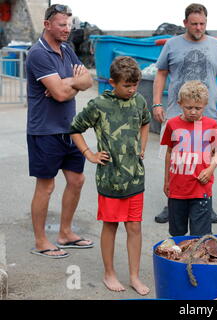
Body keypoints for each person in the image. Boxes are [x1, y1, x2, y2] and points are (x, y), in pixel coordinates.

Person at [69, 56, 150, 295]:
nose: (132, 89)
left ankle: (134, 276)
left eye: (135, 85)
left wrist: (142, 146)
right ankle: (109, 273)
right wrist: (89, 154)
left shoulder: (138, 100)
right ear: (113, 82)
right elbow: (75, 128)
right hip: (110, 179)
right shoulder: (99, 104)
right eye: (127, 85)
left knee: (134, 227)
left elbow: (145, 123)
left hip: (135, 177)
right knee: (111, 225)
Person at [152, 3, 217, 225]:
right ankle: (172, 202)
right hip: (178, 113)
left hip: (209, 113)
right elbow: (161, 74)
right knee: (175, 157)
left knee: (205, 158)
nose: (198, 28)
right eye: (194, 23)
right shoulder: (172, 44)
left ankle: (205, 202)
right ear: (185, 22)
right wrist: (157, 104)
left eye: (202, 24)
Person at [26, 4, 94, 259]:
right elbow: (60, 94)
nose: (67, 30)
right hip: (44, 131)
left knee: (77, 180)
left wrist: (69, 83)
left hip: (70, 129)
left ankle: (65, 233)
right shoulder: (38, 54)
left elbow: (88, 81)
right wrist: (69, 85)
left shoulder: (67, 49)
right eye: (62, 25)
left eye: (69, 24)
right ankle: (41, 240)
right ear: (47, 25)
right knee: (46, 186)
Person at [161, 80, 217, 236]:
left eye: (198, 108)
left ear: (205, 105)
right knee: (177, 234)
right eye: (189, 108)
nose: (193, 111)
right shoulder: (172, 124)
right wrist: (166, 180)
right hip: (177, 189)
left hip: (201, 189)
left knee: (200, 237)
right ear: (180, 103)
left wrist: (210, 169)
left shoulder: (211, 125)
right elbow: (169, 152)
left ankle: (197, 261)